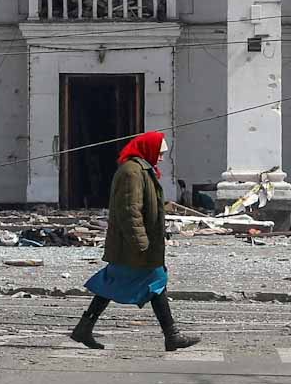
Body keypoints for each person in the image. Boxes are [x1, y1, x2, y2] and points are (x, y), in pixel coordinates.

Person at [70, 131, 200, 351]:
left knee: (119, 283)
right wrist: (140, 242)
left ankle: (85, 327)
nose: (161, 158)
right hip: (133, 244)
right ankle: (172, 335)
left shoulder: (141, 170)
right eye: (159, 153)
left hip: (134, 243)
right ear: (148, 149)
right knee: (154, 282)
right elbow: (130, 211)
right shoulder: (132, 172)